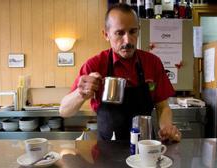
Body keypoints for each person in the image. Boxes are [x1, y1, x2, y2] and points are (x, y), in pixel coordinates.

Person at [60, 3, 181, 141]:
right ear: (106, 34)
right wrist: (80, 94)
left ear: (139, 30)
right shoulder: (94, 65)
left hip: (145, 148)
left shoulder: (152, 63)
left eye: (133, 32)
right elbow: (64, 111)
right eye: (119, 33)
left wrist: (166, 128)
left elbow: (163, 107)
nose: (127, 40)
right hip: (107, 152)